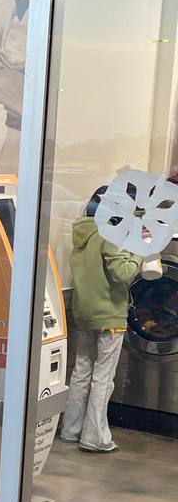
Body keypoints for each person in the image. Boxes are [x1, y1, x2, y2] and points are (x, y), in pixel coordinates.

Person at [60, 186, 157, 453]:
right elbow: (122, 273)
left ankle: (71, 430)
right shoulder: (109, 235)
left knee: (81, 372)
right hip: (109, 315)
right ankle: (95, 438)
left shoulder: (82, 232)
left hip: (84, 312)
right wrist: (139, 249)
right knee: (103, 378)